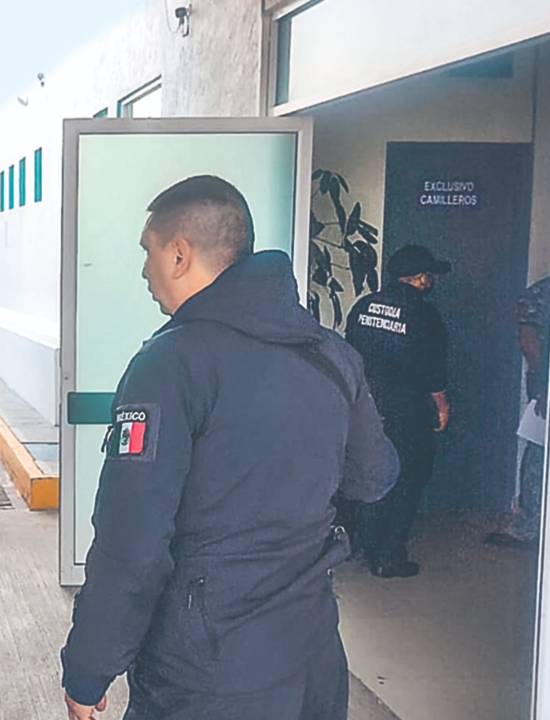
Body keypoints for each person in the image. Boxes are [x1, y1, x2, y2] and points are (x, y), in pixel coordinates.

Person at [61, 176, 399, 720]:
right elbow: (374, 477)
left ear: (178, 254)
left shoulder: (168, 365)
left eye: (147, 253)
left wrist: (89, 666)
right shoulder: (330, 355)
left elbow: (133, 541)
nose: (144, 271)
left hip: (207, 677)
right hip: (313, 661)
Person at [344, 244, 451, 578]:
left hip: (362, 408)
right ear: (418, 278)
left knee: (366, 475)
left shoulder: (363, 306)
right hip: (405, 410)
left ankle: (360, 543)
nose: (431, 281)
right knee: (407, 478)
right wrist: (442, 406)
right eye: (429, 275)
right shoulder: (423, 314)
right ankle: (388, 555)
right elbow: (432, 369)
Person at [487, 273, 550, 550]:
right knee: (540, 449)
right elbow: (528, 339)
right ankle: (529, 526)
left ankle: (530, 526)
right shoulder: (542, 293)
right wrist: (542, 379)